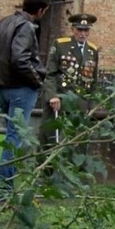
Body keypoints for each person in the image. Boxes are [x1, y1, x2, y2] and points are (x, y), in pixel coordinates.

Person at [0, 0, 50, 192]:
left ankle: (6, 183)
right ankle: (3, 189)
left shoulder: (2, 23)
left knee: (11, 136)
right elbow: (20, 59)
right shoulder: (26, 26)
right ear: (40, 10)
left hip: (1, 87)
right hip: (21, 89)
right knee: (14, 139)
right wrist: (36, 81)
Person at [40, 13, 99, 150]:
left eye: (86, 30)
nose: (83, 34)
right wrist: (52, 96)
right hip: (60, 99)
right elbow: (50, 73)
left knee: (78, 142)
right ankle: (45, 163)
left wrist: (92, 105)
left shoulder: (92, 50)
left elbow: (93, 80)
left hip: (81, 103)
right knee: (50, 138)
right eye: (79, 30)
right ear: (73, 29)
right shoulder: (61, 45)